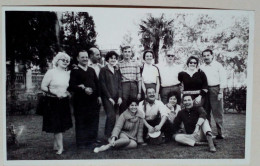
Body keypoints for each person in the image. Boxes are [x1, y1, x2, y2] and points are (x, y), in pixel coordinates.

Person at [41, 52, 73, 155]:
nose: (65, 62)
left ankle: (56, 145)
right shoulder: (51, 72)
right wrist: (55, 92)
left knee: (60, 125)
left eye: (67, 60)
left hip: (63, 102)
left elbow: (67, 87)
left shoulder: (67, 73)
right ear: (57, 61)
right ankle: (61, 148)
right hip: (52, 102)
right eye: (62, 60)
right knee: (57, 125)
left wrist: (67, 92)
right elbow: (43, 87)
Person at [68, 50, 100, 149]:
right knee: (81, 121)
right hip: (80, 101)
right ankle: (81, 142)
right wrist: (83, 89)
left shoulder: (91, 70)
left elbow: (97, 84)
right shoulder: (74, 71)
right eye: (82, 57)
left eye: (86, 57)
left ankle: (92, 140)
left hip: (93, 100)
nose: (85, 59)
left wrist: (98, 96)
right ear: (77, 58)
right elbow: (71, 86)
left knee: (93, 120)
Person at [200, 49, 227, 139]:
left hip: (215, 89)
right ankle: (208, 132)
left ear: (212, 56)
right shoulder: (201, 67)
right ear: (202, 57)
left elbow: (223, 79)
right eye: (204, 56)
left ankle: (221, 133)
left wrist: (220, 92)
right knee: (205, 112)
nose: (206, 57)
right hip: (204, 90)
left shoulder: (218, 66)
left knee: (218, 112)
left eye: (208, 55)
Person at [99, 51, 122, 141]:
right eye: (111, 58)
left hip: (117, 97)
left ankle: (113, 135)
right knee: (111, 116)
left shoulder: (117, 70)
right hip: (107, 98)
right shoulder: (103, 70)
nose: (113, 60)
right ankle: (108, 135)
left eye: (115, 58)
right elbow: (103, 85)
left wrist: (120, 97)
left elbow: (120, 85)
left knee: (114, 117)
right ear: (107, 59)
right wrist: (109, 98)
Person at [118, 45, 142, 114]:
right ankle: (122, 123)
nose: (127, 53)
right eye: (125, 52)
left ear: (131, 53)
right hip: (124, 85)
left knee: (133, 105)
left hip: (134, 85)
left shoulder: (136, 63)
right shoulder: (119, 64)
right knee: (123, 105)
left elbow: (139, 78)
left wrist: (139, 92)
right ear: (122, 53)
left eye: (129, 52)